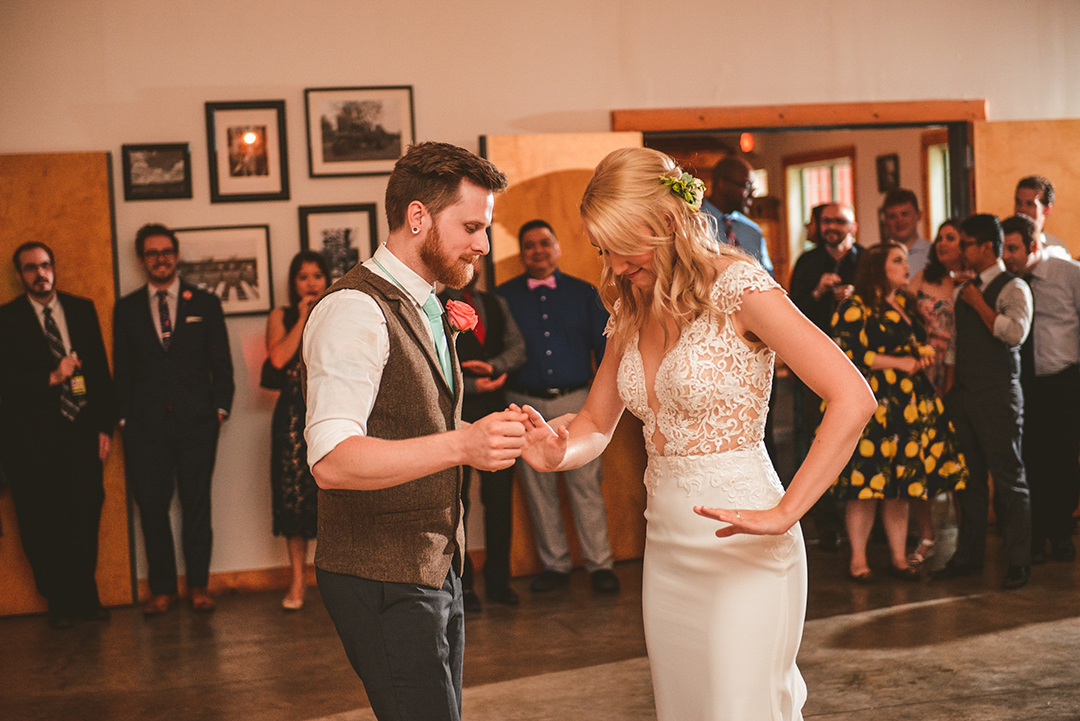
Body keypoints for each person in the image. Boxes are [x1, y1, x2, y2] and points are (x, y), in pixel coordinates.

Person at [519, 147, 876, 720]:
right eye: (601, 249)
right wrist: (557, 453)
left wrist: (787, 511)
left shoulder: (739, 287)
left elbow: (853, 398)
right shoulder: (630, 303)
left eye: (620, 246)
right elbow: (593, 423)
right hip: (666, 550)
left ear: (664, 222)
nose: (611, 266)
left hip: (744, 543)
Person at [302, 141, 525, 721]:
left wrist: (500, 433)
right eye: (472, 226)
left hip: (434, 565)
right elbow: (332, 459)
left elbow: (418, 416)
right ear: (418, 216)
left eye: (486, 228)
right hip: (380, 574)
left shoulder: (428, 302)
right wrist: (464, 443)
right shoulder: (355, 309)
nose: (483, 244)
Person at [828, 241, 969, 582]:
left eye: (906, 260)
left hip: (909, 404)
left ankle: (898, 557)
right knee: (866, 485)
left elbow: (912, 341)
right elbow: (848, 353)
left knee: (901, 483)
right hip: (875, 403)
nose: (907, 267)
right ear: (877, 267)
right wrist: (900, 361)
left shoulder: (905, 301)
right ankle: (858, 561)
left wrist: (921, 354)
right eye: (898, 261)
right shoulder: (854, 307)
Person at [114, 223, 235, 614]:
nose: (160, 258)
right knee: (151, 507)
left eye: (166, 251)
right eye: (152, 253)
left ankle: (199, 586)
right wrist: (123, 420)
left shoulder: (204, 303)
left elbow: (222, 362)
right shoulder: (127, 308)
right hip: (145, 427)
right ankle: (162, 590)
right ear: (141, 259)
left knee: (197, 504)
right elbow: (123, 367)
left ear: (176, 254)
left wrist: (220, 408)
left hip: (197, 423)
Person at [497, 219, 620, 595]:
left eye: (544, 243)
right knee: (538, 488)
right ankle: (555, 565)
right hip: (525, 404)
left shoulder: (586, 294)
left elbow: (607, 353)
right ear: (522, 253)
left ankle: (601, 564)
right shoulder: (504, 296)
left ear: (557, 247)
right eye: (530, 245)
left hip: (577, 401)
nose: (538, 250)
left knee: (586, 484)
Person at [0, 242, 116, 629]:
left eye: (46, 265)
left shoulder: (81, 309)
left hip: (80, 435)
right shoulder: (7, 319)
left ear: (54, 268)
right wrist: (52, 377)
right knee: (39, 526)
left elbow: (99, 369)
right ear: (20, 275)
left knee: (83, 519)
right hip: (29, 443)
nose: (40, 273)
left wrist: (105, 425)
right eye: (31, 268)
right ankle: (59, 603)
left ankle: (85, 599)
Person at [934, 214, 1033, 590]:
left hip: (998, 395)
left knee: (1009, 478)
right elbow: (956, 348)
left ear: (986, 248)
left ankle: (1018, 561)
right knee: (969, 481)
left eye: (966, 244)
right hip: (965, 397)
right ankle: (967, 558)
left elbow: (1015, 334)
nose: (960, 251)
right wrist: (948, 391)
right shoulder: (963, 290)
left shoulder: (1014, 288)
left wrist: (979, 304)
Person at [439, 264, 527, 610]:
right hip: (455, 413)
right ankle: (463, 586)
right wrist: (472, 382)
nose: (471, 266)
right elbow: (435, 363)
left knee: (499, 500)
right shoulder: (435, 305)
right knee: (457, 502)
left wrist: (495, 367)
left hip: (496, 409)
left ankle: (499, 581)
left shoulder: (496, 303)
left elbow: (518, 348)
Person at [1000, 214, 1080, 564]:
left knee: (1062, 461)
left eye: (1014, 248)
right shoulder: (1006, 282)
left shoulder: (1070, 274)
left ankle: (1061, 533)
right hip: (1023, 384)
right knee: (1028, 461)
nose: (1008, 255)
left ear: (1034, 245)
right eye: (1003, 247)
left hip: (1062, 381)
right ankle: (1032, 539)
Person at [788, 202, 863, 550]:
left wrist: (855, 297)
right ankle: (826, 521)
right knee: (815, 439)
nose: (832, 226)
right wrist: (818, 292)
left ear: (854, 226)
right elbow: (788, 314)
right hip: (812, 368)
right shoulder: (807, 262)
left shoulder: (864, 261)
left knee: (856, 442)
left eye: (840, 221)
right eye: (827, 220)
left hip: (859, 368)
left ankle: (861, 522)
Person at [263, 250, 329, 610]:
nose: (311, 282)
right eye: (303, 276)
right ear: (294, 283)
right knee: (295, 499)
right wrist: (303, 317)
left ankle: (337, 582)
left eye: (317, 275)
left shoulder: (338, 309)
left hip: (330, 409)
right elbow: (277, 359)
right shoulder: (282, 315)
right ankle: (298, 582)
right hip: (291, 417)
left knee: (334, 494)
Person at [903, 218, 971, 563]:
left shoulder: (972, 282)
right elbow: (900, 308)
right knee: (921, 455)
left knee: (959, 457)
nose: (942, 244)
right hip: (922, 373)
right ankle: (926, 535)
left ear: (965, 245)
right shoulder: (924, 278)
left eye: (951, 238)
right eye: (940, 238)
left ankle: (967, 534)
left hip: (960, 373)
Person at [700, 155, 773, 274]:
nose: (752, 194)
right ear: (722, 184)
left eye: (753, 189)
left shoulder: (752, 231)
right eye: (747, 186)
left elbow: (768, 278)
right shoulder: (692, 225)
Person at [881, 189, 932, 277]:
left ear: (919, 215)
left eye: (904, 214)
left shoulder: (934, 253)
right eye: (892, 216)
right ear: (885, 221)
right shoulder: (878, 256)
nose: (899, 220)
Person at [1015, 175, 1070, 256]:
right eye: (1018, 202)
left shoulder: (1058, 250)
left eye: (1030, 204)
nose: (1022, 209)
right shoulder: (999, 242)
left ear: (1047, 210)